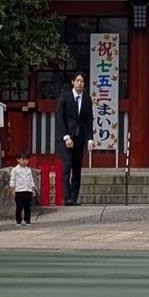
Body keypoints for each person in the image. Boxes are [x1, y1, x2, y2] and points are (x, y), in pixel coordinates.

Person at [56, 72, 95, 204]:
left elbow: (89, 120)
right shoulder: (65, 97)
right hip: (65, 136)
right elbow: (60, 118)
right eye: (77, 80)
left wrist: (90, 139)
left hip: (80, 137)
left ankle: (74, 197)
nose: (80, 83)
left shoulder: (86, 99)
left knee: (77, 168)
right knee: (67, 166)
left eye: (82, 81)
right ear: (73, 82)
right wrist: (66, 137)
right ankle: (66, 197)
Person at [7, 153, 36, 224]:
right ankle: (18, 221)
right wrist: (13, 189)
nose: (25, 161)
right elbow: (12, 180)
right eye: (23, 159)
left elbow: (31, 180)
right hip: (19, 190)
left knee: (27, 207)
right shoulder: (15, 170)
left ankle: (27, 220)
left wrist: (33, 189)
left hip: (28, 190)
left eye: (27, 160)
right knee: (19, 207)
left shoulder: (29, 170)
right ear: (18, 160)